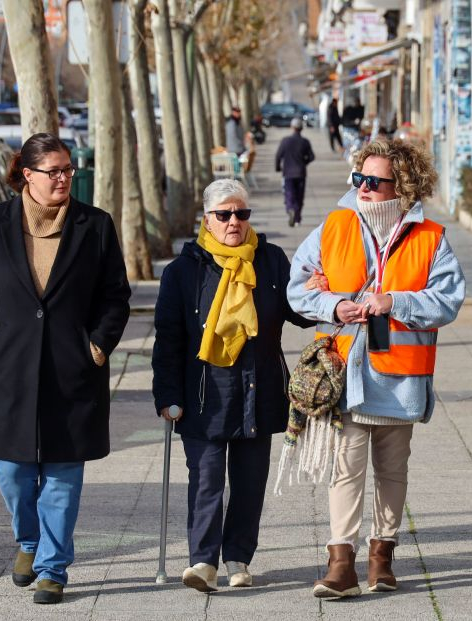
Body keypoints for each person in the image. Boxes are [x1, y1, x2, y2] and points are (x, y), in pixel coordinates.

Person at [287, 138, 466, 598]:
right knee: (345, 468)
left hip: (402, 375)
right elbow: (297, 289)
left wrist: (395, 301)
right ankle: (340, 563)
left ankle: (381, 560)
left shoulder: (430, 237)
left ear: (401, 186)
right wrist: (336, 304)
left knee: (392, 470)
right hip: (346, 370)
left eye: (374, 181)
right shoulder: (334, 225)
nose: (362, 188)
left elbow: (448, 300)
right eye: (358, 178)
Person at [0, 133, 131, 605]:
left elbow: (115, 294)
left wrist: (98, 344)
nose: (63, 178)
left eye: (68, 169)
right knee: (10, 469)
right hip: (9, 368)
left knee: (61, 472)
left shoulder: (94, 225)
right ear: (28, 174)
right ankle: (30, 541)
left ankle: (52, 568)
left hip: (72, 369)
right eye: (53, 171)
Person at [152, 179, 314, 593]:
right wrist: (167, 396)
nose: (234, 222)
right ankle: (203, 562)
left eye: (241, 214)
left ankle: (238, 557)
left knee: (249, 480)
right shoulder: (183, 270)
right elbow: (168, 339)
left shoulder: (272, 260)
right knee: (206, 479)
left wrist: (323, 295)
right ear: (207, 219)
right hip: (204, 392)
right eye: (224, 214)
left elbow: (298, 311)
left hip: (257, 390)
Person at [275, 117, 315, 227]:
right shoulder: (305, 142)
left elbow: (278, 156)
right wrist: (304, 162)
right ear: (301, 128)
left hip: (288, 173)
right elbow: (312, 157)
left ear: (292, 128)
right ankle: (297, 218)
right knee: (299, 196)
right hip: (301, 173)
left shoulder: (285, 141)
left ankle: (290, 208)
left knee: (289, 194)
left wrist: (278, 167)